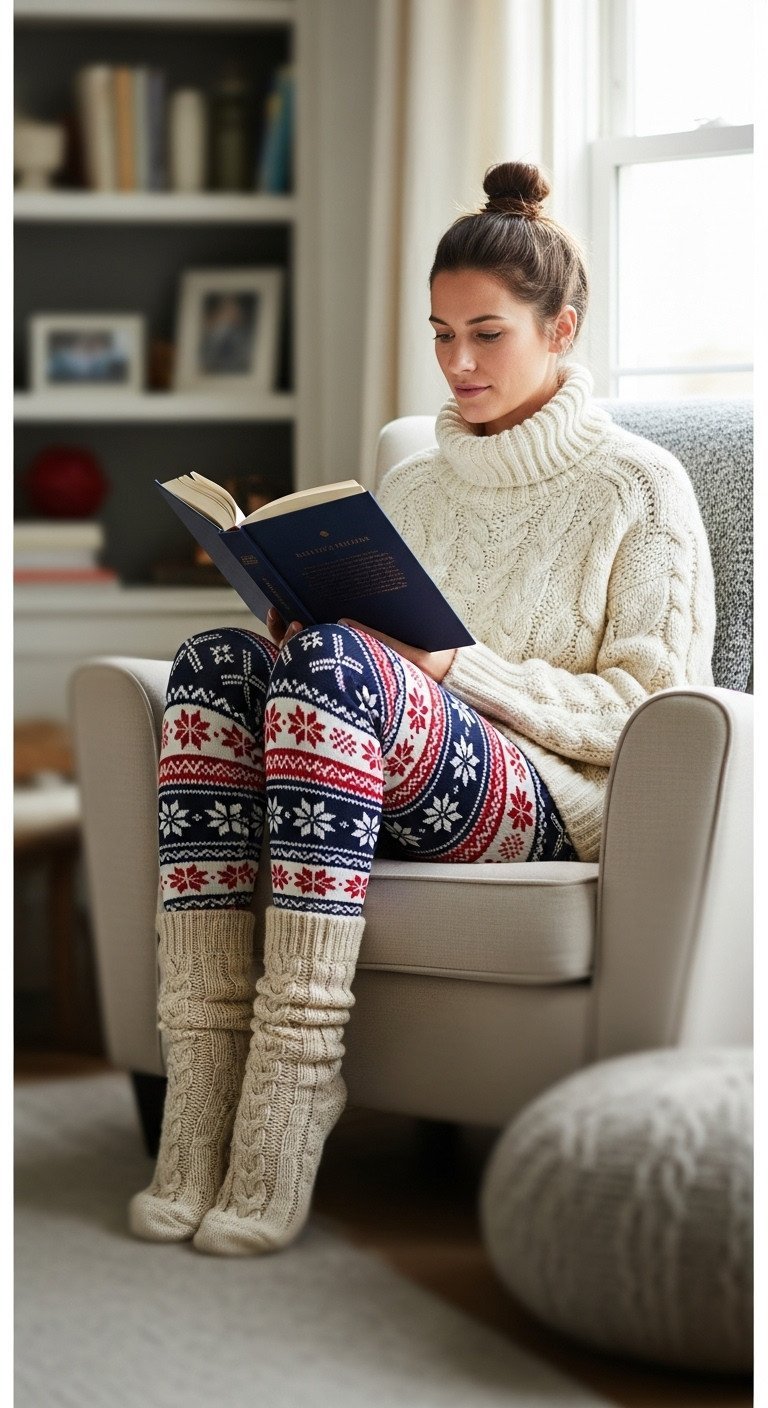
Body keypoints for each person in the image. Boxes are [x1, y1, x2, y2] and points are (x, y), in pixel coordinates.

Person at [129, 160, 716, 1255]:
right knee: (215, 663)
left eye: (486, 333)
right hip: (378, 755)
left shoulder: (640, 488)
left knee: (348, 669)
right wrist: (298, 631)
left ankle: (295, 1086)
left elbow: (648, 710)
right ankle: (202, 1082)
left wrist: (453, 671)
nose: (456, 362)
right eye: (440, 331)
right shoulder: (416, 483)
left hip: (539, 793)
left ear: (562, 328)